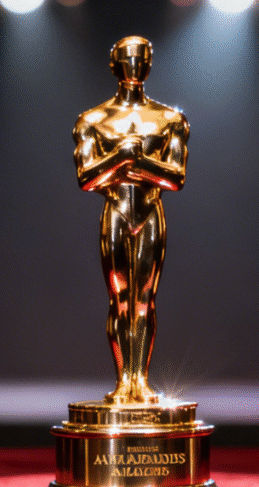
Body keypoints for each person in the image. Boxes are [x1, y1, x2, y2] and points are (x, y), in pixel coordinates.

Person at [73, 36, 189, 405]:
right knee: (120, 299)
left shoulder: (169, 119)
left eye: (142, 57)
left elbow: (176, 177)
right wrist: (122, 159)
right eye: (128, 58)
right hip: (117, 212)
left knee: (144, 300)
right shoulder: (93, 120)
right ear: (114, 64)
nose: (135, 64)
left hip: (149, 211)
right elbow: (87, 178)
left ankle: (141, 380)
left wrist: (134, 163)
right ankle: (125, 381)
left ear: (150, 64)